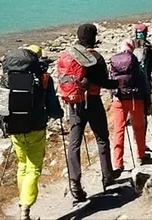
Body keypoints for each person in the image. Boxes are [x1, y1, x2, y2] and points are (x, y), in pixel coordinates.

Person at [0, 45, 63, 220]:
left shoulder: (6, 78)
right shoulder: (44, 78)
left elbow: (1, 107)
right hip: (36, 128)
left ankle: (22, 201)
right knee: (33, 168)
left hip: (15, 129)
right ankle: (25, 208)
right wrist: (59, 114)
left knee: (22, 165)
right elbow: (52, 107)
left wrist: (4, 127)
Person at [63, 24, 119, 202]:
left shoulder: (70, 55)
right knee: (102, 138)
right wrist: (118, 84)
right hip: (93, 101)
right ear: (93, 37)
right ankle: (107, 176)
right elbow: (104, 82)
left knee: (74, 143)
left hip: (75, 104)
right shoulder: (96, 57)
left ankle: (75, 181)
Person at [109, 39, 150, 173]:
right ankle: (141, 155)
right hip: (135, 99)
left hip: (118, 100)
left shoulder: (114, 61)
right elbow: (143, 82)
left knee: (118, 130)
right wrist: (147, 101)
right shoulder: (135, 60)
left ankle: (118, 162)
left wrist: (113, 96)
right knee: (138, 127)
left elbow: (110, 80)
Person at [132, 23, 152, 98]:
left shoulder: (133, 43)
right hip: (151, 62)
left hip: (139, 65)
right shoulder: (147, 45)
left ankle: (147, 93)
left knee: (146, 77)